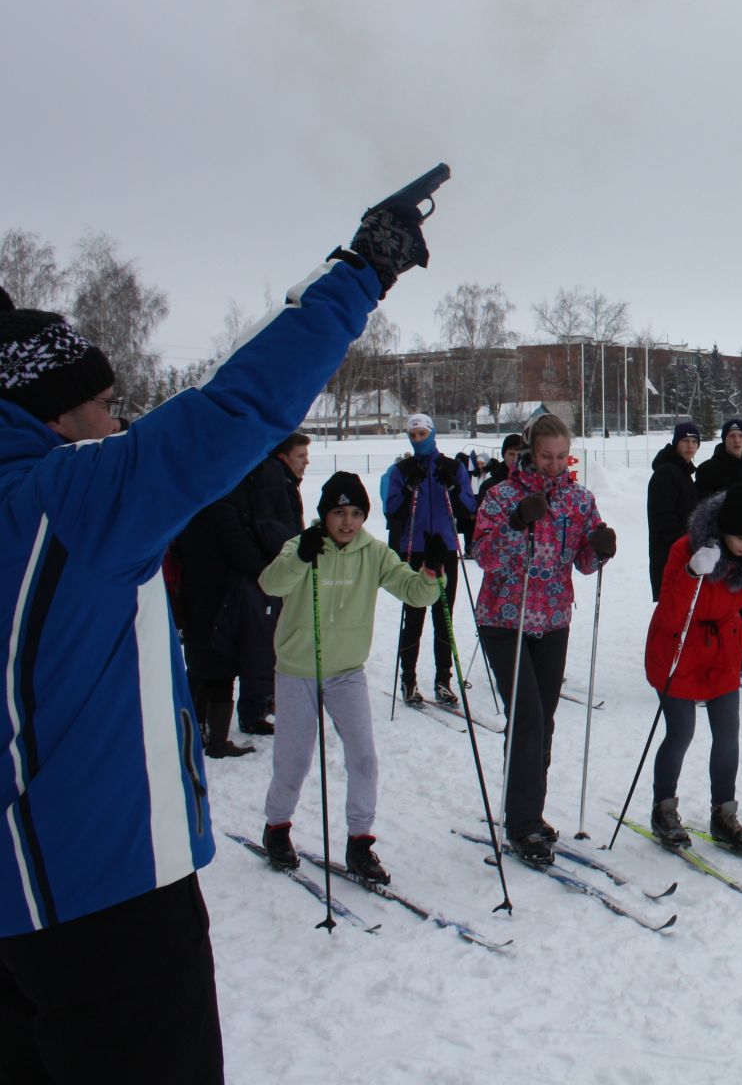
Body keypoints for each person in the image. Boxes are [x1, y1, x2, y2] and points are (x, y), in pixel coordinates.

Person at [0, 192, 428, 1082]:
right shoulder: (64, 500)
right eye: (110, 405)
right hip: (101, 894)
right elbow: (240, 409)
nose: (120, 426)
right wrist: (362, 272)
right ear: (54, 413)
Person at [257, 472, 443, 884]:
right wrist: (300, 557)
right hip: (298, 670)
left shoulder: (373, 552)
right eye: (338, 513)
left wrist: (431, 572)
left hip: (346, 672)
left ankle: (360, 841)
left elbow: (415, 593)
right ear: (324, 514)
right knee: (294, 761)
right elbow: (271, 583)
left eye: (356, 513)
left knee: (364, 759)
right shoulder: (302, 546)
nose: (347, 522)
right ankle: (277, 828)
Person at [472, 413, 615, 866]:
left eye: (561, 457)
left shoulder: (578, 499)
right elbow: (484, 556)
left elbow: (585, 563)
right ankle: (523, 822)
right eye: (545, 456)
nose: (553, 465)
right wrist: (516, 522)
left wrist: (601, 547)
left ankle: (529, 810)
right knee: (528, 717)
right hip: (504, 619)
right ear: (531, 452)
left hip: (553, 620)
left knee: (543, 720)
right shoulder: (501, 496)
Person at [644, 484, 742, 853]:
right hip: (678, 647)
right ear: (721, 530)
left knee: (727, 734)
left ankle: (724, 813)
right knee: (681, 731)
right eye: (739, 536)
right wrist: (691, 573)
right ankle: (663, 808)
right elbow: (671, 614)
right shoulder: (686, 549)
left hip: (722, 650)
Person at [174, 431, 311, 753]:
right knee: (214, 660)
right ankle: (209, 735)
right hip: (211, 589)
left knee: (217, 658)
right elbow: (235, 539)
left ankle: (208, 730)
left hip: (213, 587)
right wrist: (268, 572)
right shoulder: (217, 497)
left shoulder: (216, 490)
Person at [380, 413, 474, 706]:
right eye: (413, 435)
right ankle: (408, 679)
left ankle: (443, 681)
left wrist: (454, 487)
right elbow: (392, 511)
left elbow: (468, 509)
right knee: (415, 615)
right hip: (415, 549)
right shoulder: (402, 470)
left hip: (444, 547)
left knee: (443, 616)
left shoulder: (452, 467)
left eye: (422, 434)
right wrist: (409, 489)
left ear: (432, 434)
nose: (418, 439)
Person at [696, 417, 742, 680]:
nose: (736, 441)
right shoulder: (709, 469)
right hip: (719, 545)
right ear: (724, 439)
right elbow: (702, 506)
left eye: (740, 436)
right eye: (731, 436)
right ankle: (715, 657)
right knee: (719, 604)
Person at [647, 421, 701, 598]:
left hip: (683, 552)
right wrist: (686, 545)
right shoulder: (667, 472)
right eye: (685, 441)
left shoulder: (683, 472)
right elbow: (663, 517)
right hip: (671, 555)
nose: (690, 446)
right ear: (676, 442)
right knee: (673, 611)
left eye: (694, 442)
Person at [476, 432, 525, 508]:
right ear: (503, 455)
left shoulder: (532, 484)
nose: (515, 459)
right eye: (511, 454)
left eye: (519, 455)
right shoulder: (488, 486)